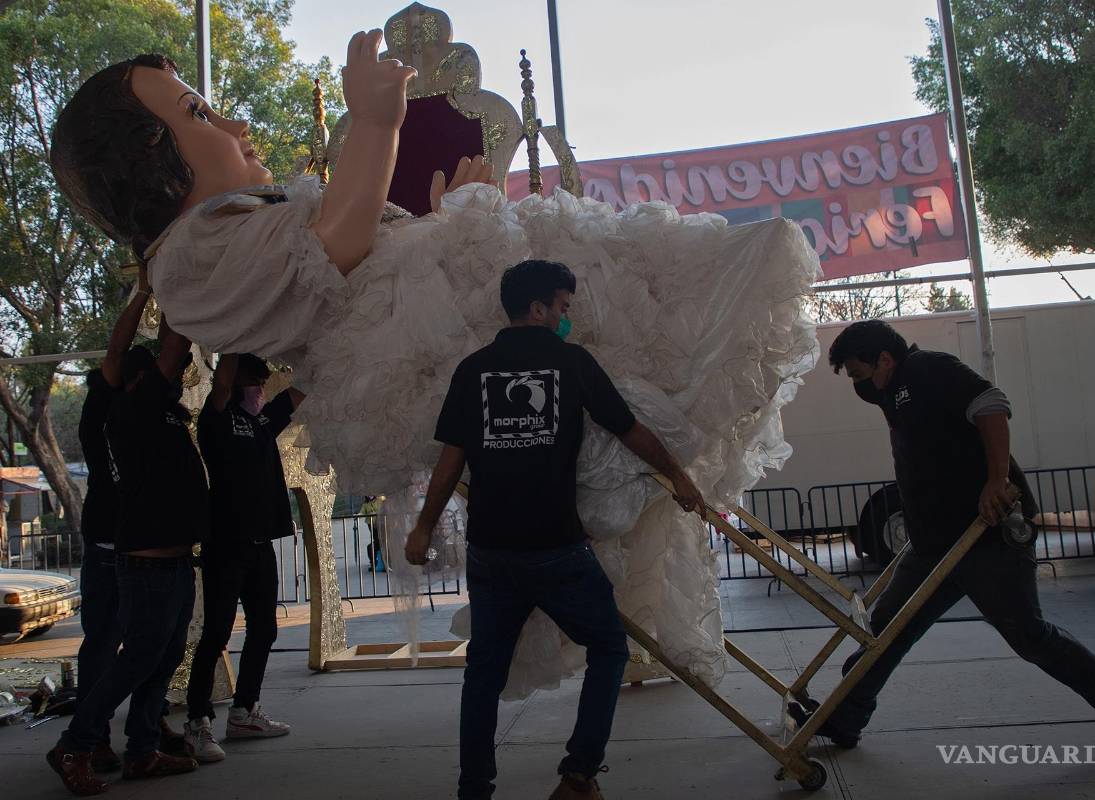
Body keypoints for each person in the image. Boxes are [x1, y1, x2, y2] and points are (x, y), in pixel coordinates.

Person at [50, 34, 820, 697]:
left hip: (408, 321)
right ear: (148, 161)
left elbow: (359, 254)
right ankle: (693, 345)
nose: (235, 124)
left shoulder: (236, 221)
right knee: (601, 299)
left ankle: (693, 343)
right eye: (198, 114)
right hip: (394, 356)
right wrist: (375, 125)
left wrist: (447, 217)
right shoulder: (189, 258)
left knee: (604, 286)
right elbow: (334, 253)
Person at [404, 259, 704, 800]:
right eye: (564, 307)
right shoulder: (571, 362)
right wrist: (678, 474)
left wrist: (423, 528)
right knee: (608, 648)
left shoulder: (474, 369)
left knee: (483, 675)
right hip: (556, 547)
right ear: (539, 308)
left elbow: (452, 457)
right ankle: (578, 775)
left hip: (491, 550)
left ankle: (474, 788)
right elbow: (628, 429)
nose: (568, 317)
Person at [794, 319, 1095, 752]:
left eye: (858, 374)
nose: (859, 387)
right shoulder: (894, 393)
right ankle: (844, 718)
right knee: (885, 632)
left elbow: (991, 405)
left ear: (884, 359)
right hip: (933, 543)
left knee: (1028, 634)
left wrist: (997, 479)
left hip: (985, 536)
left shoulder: (927, 368)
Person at [48, 320, 207, 795]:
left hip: (176, 561)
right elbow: (168, 347)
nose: (175, 376)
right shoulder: (132, 410)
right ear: (140, 379)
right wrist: (176, 297)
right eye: (164, 372)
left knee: (164, 658)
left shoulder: (165, 416)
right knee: (136, 658)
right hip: (147, 563)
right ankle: (75, 744)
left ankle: (142, 750)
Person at [74, 267, 187, 777]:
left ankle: (145, 730)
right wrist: (146, 291)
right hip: (111, 544)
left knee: (153, 646)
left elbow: (168, 351)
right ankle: (93, 738)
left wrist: (171, 293)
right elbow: (121, 352)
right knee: (107, 643)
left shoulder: (151, 411)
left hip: (144, 542)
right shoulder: (109, 408)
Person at [183, 354, 301, 762]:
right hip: (226, 543)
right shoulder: (217, 417)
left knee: (264, 629)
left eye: (265, 382)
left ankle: (244, 711)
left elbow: (298, 395)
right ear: (236, 380)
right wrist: (235, 337)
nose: (261, 388)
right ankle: (197, 721)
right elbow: (221, 384)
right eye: (256, 380)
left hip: (259, 542)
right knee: (216, 633)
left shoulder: (261, 421)